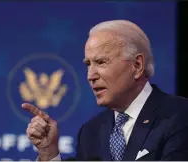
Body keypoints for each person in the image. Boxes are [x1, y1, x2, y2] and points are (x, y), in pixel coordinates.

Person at [22, 20, 188, 161]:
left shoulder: (179, 115)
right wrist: (49, 152)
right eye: (88, 64)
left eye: (101, 62)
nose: (90, 76)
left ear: (137, 65)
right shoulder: (91, 132)